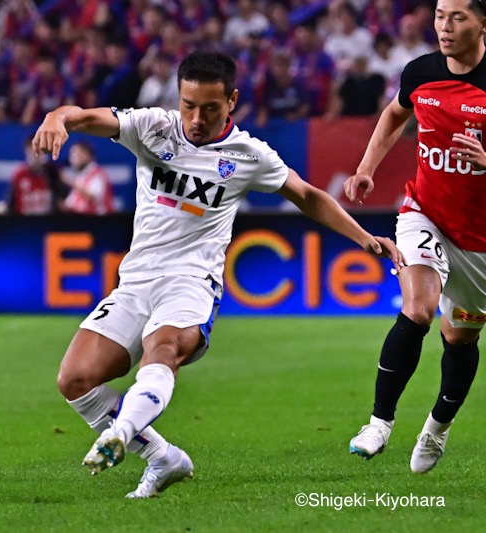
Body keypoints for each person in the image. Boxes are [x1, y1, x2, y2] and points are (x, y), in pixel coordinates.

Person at [32, 49, 403, 498]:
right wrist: (58, 118)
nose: (196, 117)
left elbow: (306, 195)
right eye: (189, 105)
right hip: (136, 282)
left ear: (231, 101)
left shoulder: (247, 154)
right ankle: (163, 458)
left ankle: (120, 433)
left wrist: (363, 237)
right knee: (74, 379)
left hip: (191, 282)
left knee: (163, 348)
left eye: (210, 108)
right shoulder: (153, 126)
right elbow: (85, 118)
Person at [346, 0, 486, 474]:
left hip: (480, 243)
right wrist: (366, 169)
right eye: (440, 15)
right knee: (418, 308)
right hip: (424, 213)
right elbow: (392, 115)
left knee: (460, 338)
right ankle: (379, 423)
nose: (445, 26)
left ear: (483, 22)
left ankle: (437, 428)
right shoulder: (421, 72)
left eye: (458, 17)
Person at [0, 135, 66, 215]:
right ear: (26, 152)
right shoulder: (19, 175)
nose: (36, 155)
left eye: (40, 151)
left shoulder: (52, 174)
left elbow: (62, 202)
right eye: (32, 151)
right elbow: (10, 204)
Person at [62, 141, 114, 215]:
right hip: (81, 222)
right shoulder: (80, 177)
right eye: (71, 155)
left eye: (76, 154)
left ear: (87, 155)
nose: (73, 159)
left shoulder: (98, 174)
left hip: (99, 222)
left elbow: (93, 196)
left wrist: (70, 182)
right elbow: (70, 204)